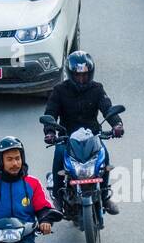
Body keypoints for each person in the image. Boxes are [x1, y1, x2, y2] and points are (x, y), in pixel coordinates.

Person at [42, 51, 124, 212]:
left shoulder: (97, 89)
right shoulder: (59, 90)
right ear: (70, 74)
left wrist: (117, 125)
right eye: (78, 76)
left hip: (92, 136)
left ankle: (104, 195)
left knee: (104, 156)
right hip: (67, 137)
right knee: (59, 155)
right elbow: (50, 113)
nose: (81, 79)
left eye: (85, 75)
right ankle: (58, 199)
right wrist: (50, 132)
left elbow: (107, 108)